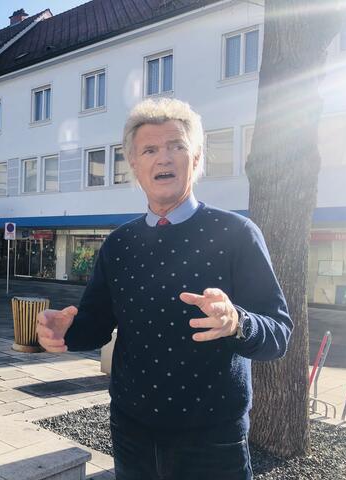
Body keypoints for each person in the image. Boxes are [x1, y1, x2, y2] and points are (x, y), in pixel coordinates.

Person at [37, 98, 292, 480]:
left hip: (213, 442)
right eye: (150, 150)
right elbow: (95, 324)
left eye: (177, 147)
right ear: (134, 165)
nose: (164, 158)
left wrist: (237, 321)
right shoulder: (118, 245)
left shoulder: (237, 234)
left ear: (197, 159)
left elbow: (279, 333)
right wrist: (64, 330)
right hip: (132, 435)